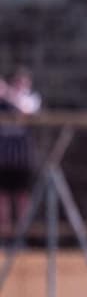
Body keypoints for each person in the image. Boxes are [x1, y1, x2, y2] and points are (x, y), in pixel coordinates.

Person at [0, 67, 41, 238]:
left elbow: (27, 109)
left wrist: (6, 92)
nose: (21, 86)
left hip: (22, 159)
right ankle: (5, 234)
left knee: (22, 195)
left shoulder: (31, 98)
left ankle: (23, 234)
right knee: (3, 197)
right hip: (4, 158)